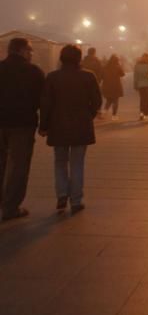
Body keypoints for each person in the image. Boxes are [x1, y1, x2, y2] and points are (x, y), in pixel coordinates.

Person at [39, 45, 101, 214]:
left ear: (61, 58)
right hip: (81, 126)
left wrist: (43, 126)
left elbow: (45, 104)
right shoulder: (88, 77)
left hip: (58, 126)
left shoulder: (52, 77)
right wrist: (88, 115)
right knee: (77, 163)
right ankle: (76, 200)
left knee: (59, 162)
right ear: (79, 59)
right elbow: (96, 102)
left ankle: (61, 195)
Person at [0, 38, 45, 221]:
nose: (31, 53)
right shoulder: (33, 71)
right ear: (22, 50)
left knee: (1, 163)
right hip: (22, 124)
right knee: (18, 166)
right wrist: (45, 124)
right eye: (30, 50)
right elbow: (44, 99)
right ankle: (11, 207)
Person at [101, 54, 125, 120]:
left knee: (109, 100)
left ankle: (104, 112)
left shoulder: (105, 67)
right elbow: (123, 74)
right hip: (116, 86)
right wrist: (120, 65)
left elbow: (102, 76)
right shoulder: (117, 67)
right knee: (115, 101)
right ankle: (114, 116)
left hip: (107, 86)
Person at [133, 53, 148, 120]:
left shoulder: (137, 66)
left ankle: (141, 113)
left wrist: (135, 85)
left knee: (142, 99)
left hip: (140, 85)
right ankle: (146, 114)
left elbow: (135, 77)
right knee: (147, 100)